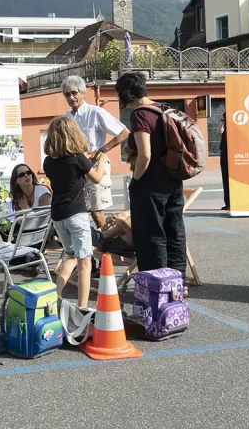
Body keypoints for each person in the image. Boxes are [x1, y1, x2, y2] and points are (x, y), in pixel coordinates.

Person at [115, 71, 187, 276]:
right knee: (175, 231)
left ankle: (157, 282)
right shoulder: (164, 109)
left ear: (127, 93)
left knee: (151, 233)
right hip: (173, 179)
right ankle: (177, 281)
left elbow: (145, 155)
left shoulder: (140, 114)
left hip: (151, 183)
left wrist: (136, 180)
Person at [42, 116, 108, 309]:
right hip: (77, 215)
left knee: (70, 257)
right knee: (85, 264)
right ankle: (82, 308)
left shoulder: (48, 162)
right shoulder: (78, 159)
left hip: (58, 217)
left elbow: (68, 172)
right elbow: (96, 178)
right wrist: (101, 161)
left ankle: (55, 296)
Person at [60, 75, 129, 230]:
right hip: (76, 168)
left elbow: (124, 132)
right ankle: (92, 247)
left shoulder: (95, 112)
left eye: (74, 93)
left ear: (83, 93)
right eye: (67, 94)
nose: (71, 97)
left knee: (97, 212)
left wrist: (102, 150)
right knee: (80, 212)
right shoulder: (66, 117)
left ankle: (106, 248)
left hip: (96, 165)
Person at [219, 112, 230, 211]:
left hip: (235, 152)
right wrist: (223, 121)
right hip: (225, 150)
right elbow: (219, 131)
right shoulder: (225, 123)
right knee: (225, 177)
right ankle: (228, 203)